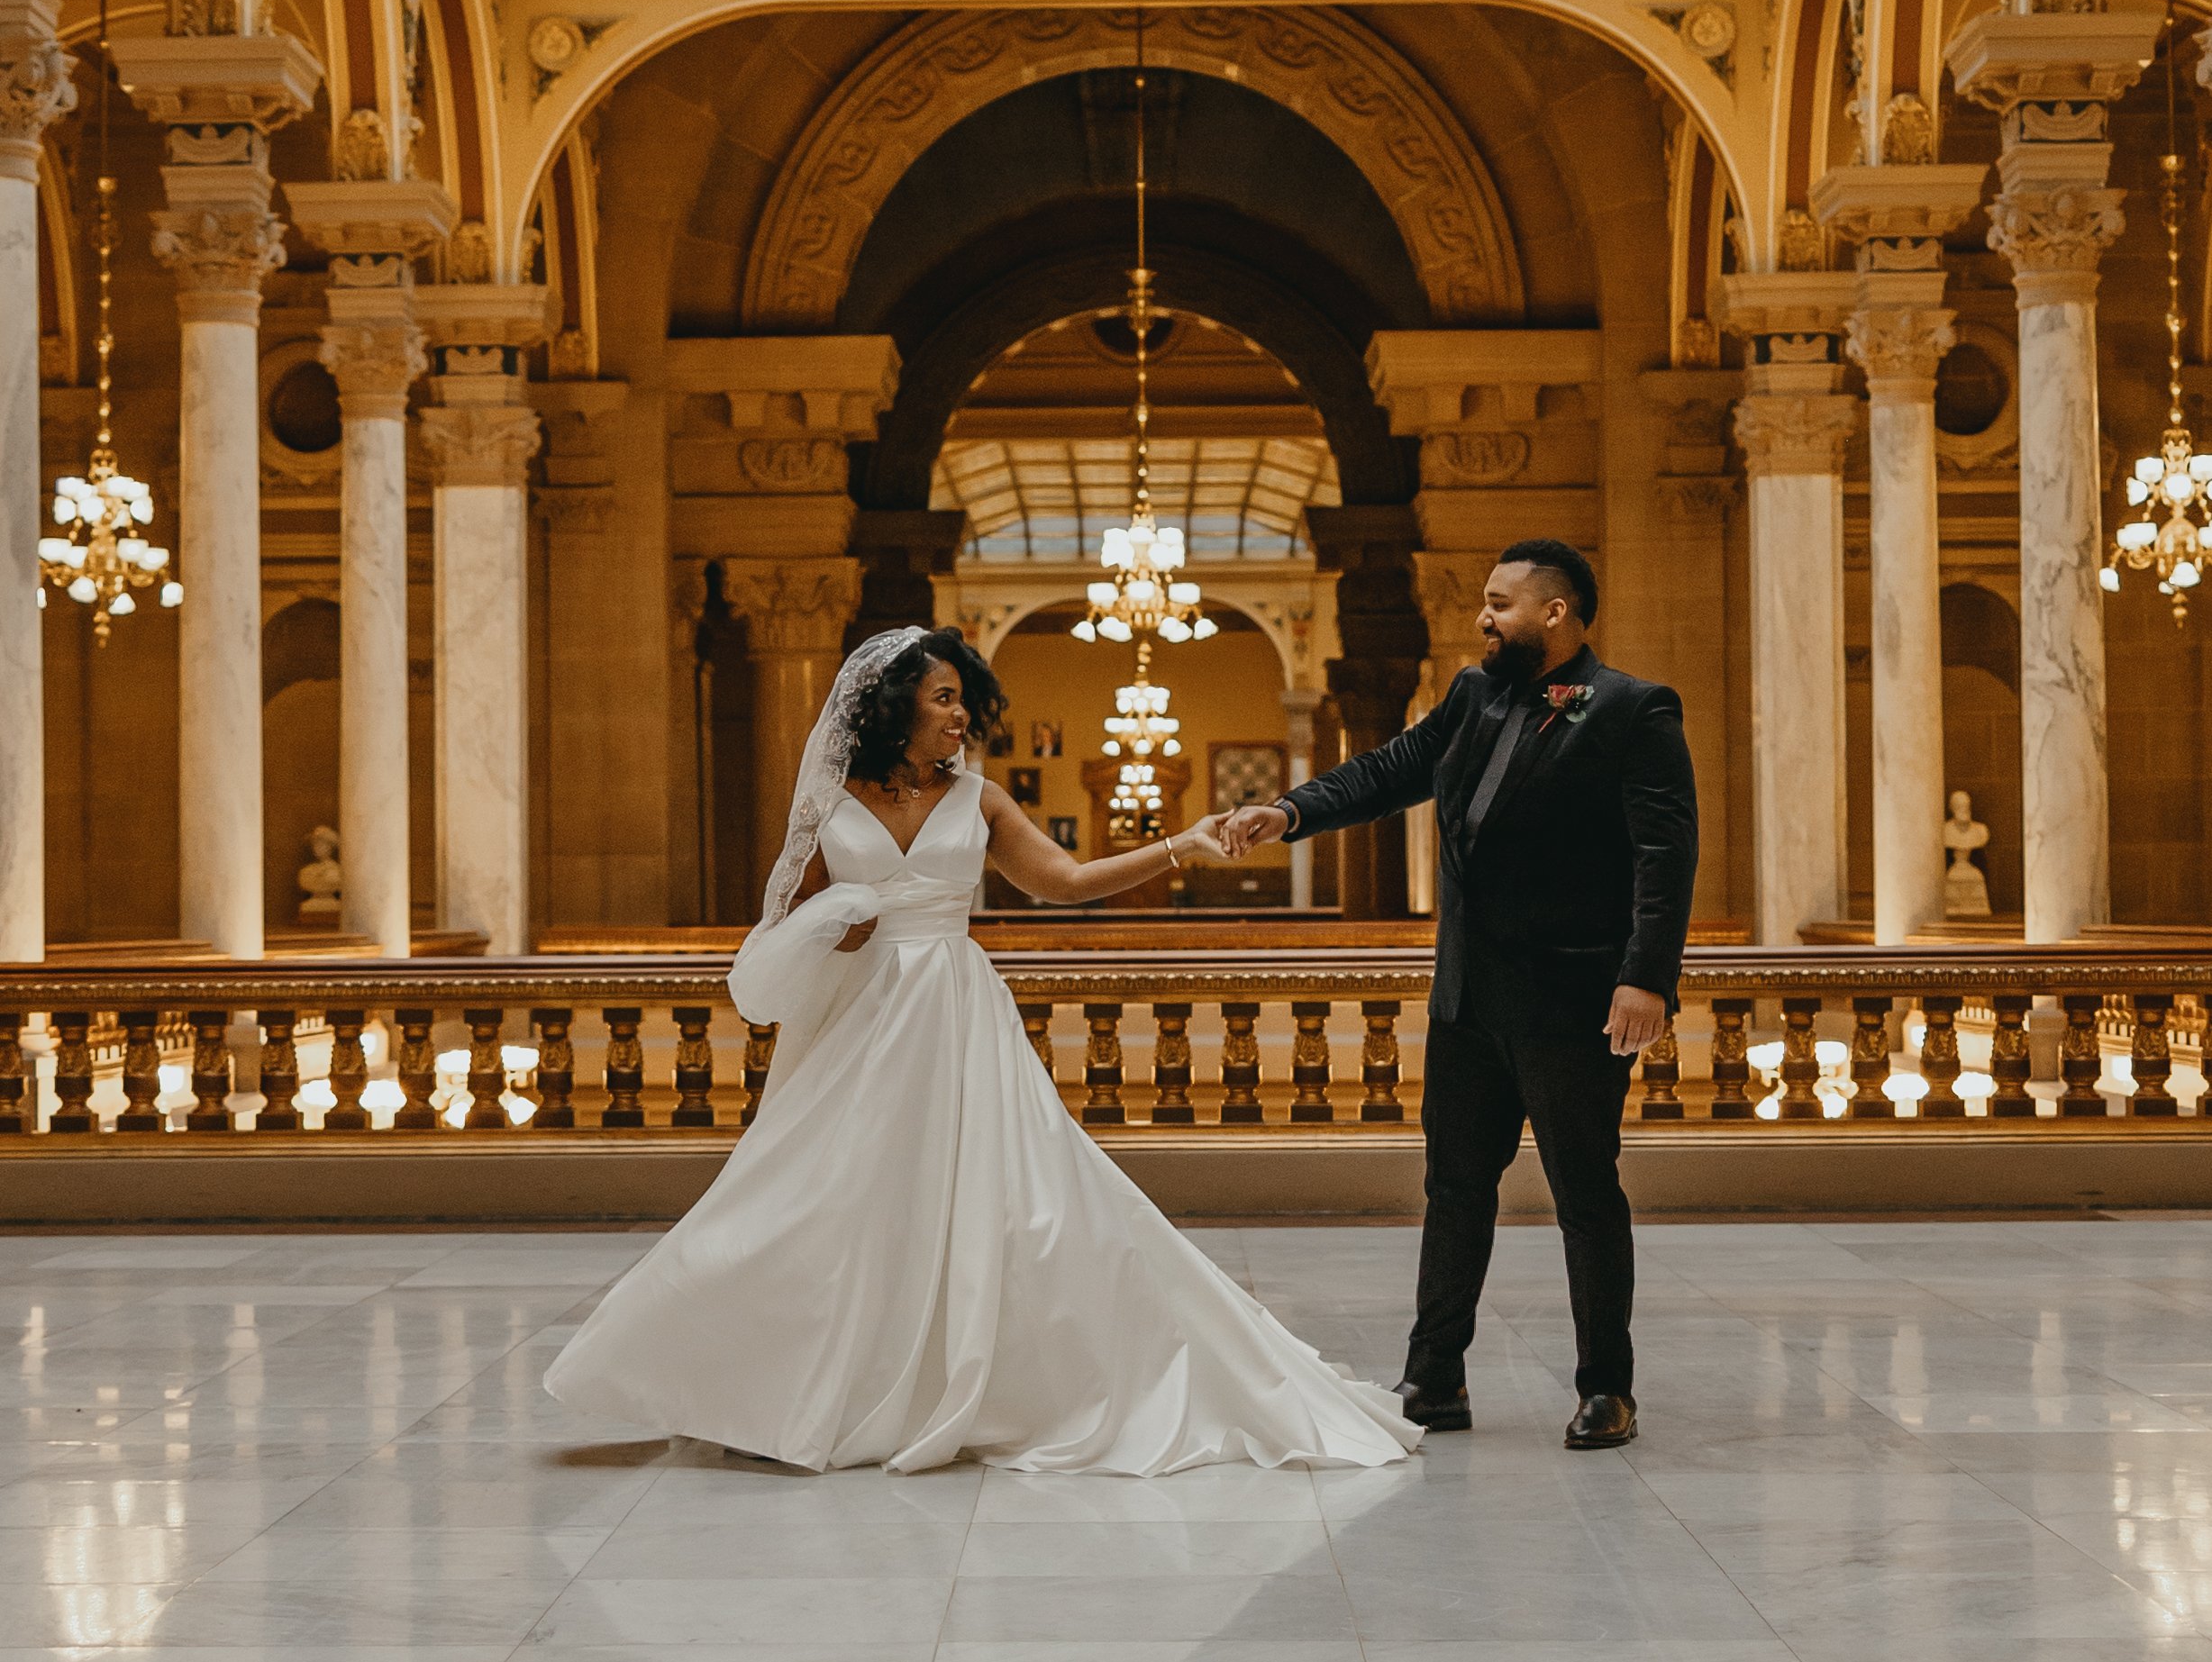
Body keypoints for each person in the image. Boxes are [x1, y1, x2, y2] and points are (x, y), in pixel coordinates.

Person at [545, 626, 1418, 1476]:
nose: (960, 715)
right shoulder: (832, 800)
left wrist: (1175, 847)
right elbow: (793, 927)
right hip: (865, 1019)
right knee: (819, 1195)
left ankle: (982, 1378)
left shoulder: (980, 799)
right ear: (897, 708)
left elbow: (1065, 883)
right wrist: (833, 920)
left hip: (956, 1012)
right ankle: (760, 1382)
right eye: (943, 698)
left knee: (1009, 1200)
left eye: (963, 699)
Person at [1216, 540, 1696, 1451]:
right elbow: (1387, 770)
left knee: (1585, 1191)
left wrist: (1645, 977)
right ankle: (1434, 1376)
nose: (1483, 618)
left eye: (1499, 603)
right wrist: (1289, 811)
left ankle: (1606, 1388)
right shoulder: (1474, 696)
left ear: (1554, 613)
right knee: (1454, 1187)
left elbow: (1662, 857)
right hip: (1469, 1001)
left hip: (1573, 1000)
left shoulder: (1634, 710)